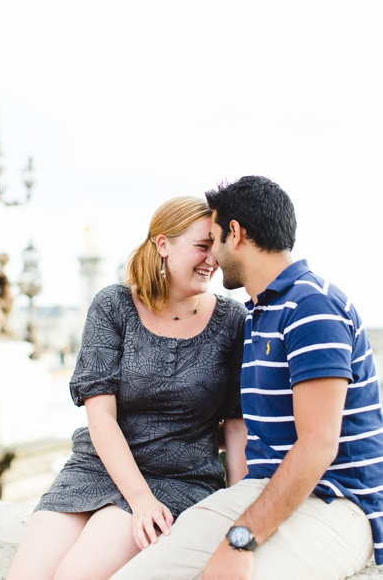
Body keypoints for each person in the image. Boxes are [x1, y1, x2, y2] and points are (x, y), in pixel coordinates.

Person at [110, 176, 383, 580]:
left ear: (235, 234)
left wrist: (242, 537)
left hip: (338, 500)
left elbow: (318, 445)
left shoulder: (311, 306)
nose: (213, 257)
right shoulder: (259, 312)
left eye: (215, 239)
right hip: (264, 488)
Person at [7, 196, 249, 580]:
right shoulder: (113, 306)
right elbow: (100, 415)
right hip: (95, 468)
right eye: (201, 246)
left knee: (75, 575)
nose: (212, 260)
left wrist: (241, 517)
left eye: (215, 248)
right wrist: (138, 497)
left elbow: (237, 425)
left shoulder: (233, 320)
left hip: (177, 479)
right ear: (163, 244)